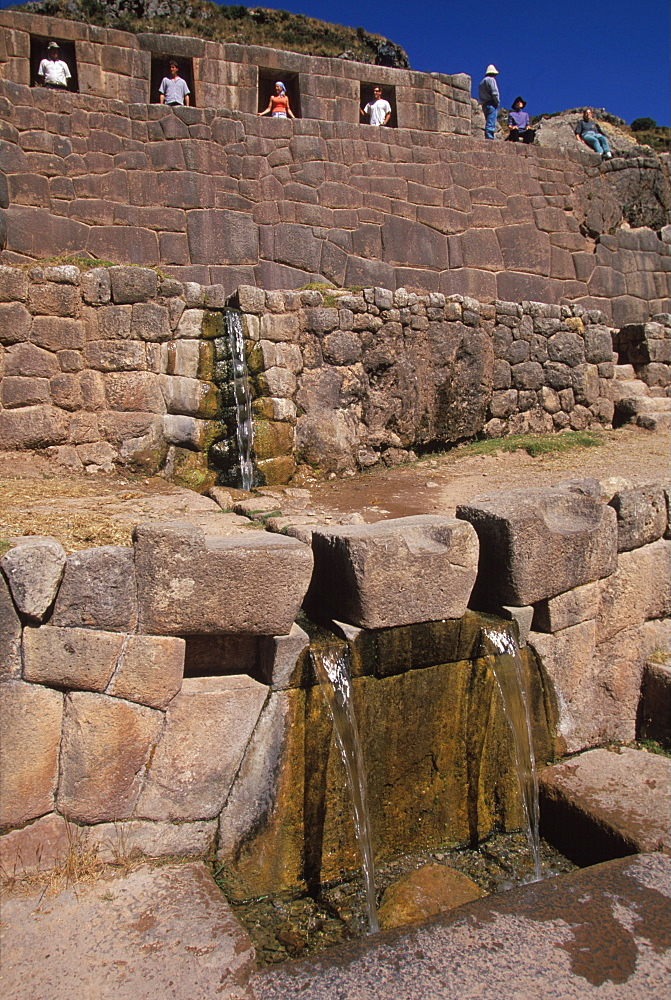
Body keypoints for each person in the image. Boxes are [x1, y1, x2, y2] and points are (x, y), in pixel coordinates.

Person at [478, 64, 500, 140]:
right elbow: (495, 92)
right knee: (491, 121)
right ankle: (490, 138)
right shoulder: (491, 80)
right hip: (491, 103)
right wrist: (497, 102)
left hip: (484, 104)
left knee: (488, 120)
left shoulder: (481, 83)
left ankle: (488, 136)